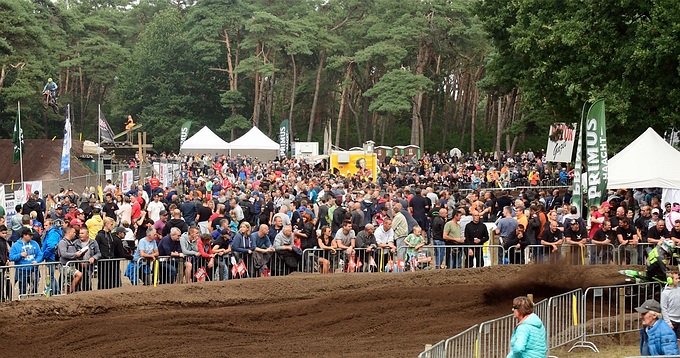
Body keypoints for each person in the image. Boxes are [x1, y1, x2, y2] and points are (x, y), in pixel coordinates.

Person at [9, 227, 43, 296]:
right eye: (30, 235)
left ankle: (33, 300)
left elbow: (40, 255)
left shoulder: (35, 243)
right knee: (22, 290)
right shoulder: (16, 245)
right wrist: (20, 255)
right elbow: (11, 257)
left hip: (33, 270)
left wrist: (37, 261)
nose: (32, 236)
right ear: (24, 235)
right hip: (22, 270)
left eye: (32, 235)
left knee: (34, 288)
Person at [56, 227, 84, 294]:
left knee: (66, 284)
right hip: (65, 266)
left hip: (71, 265)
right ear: (69, 233)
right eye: (74, 232)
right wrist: (76, 254)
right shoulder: (62, 242)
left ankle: (66, 294)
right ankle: (71, 290)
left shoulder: (71, 242)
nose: (75, 234)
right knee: (79, 275)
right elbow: (64, 254)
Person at [74, 227, 101, 291]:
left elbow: (98, 253)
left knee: (87, 282)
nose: (80, 235)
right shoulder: (76, 243)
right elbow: (73, 255)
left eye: (82, 233)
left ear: (87, 234)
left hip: (89, 266)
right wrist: (79, 262)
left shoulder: (93, 242)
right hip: (78, 266)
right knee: (78, 282)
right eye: (80, 233)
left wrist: (93, 257)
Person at [661, 272, 680, 350]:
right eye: (676, 278)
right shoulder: (665, 293)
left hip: (679, 320)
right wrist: (668, 322)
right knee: (671, 341)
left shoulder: (679, 290)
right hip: (671, 321)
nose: (678, 280)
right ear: (670, 280)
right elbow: (663, 308)